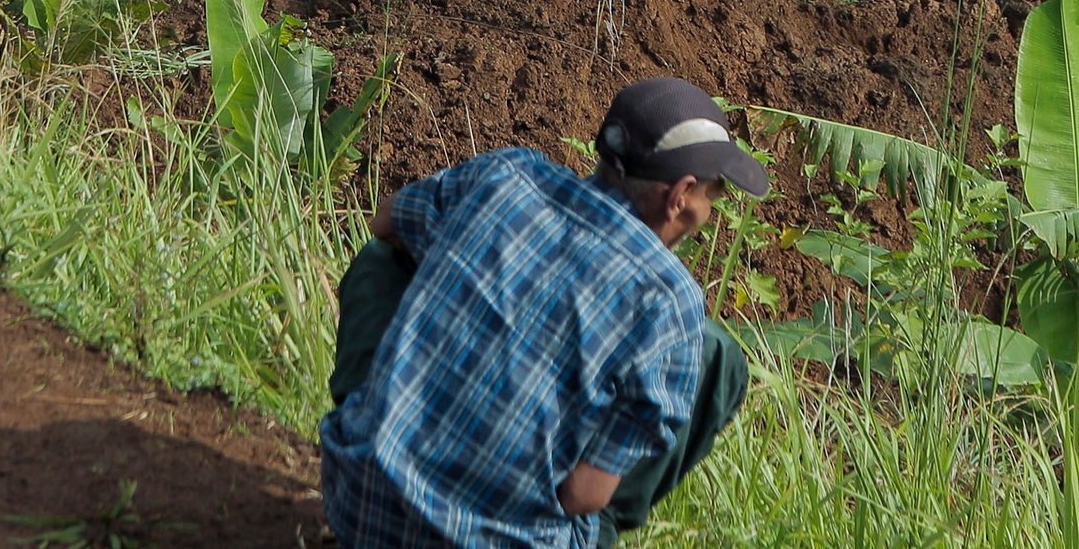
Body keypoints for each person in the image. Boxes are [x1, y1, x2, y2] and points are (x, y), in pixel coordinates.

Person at [322, 77, 765, 547]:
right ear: (681, 194)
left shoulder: (508, 174)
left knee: (386, 257)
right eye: (712, 196)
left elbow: (385, 221)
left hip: (360, 509)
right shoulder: (671, 304)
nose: (709, 212)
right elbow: (582, 495)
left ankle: (377, 429)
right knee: (718, 356)